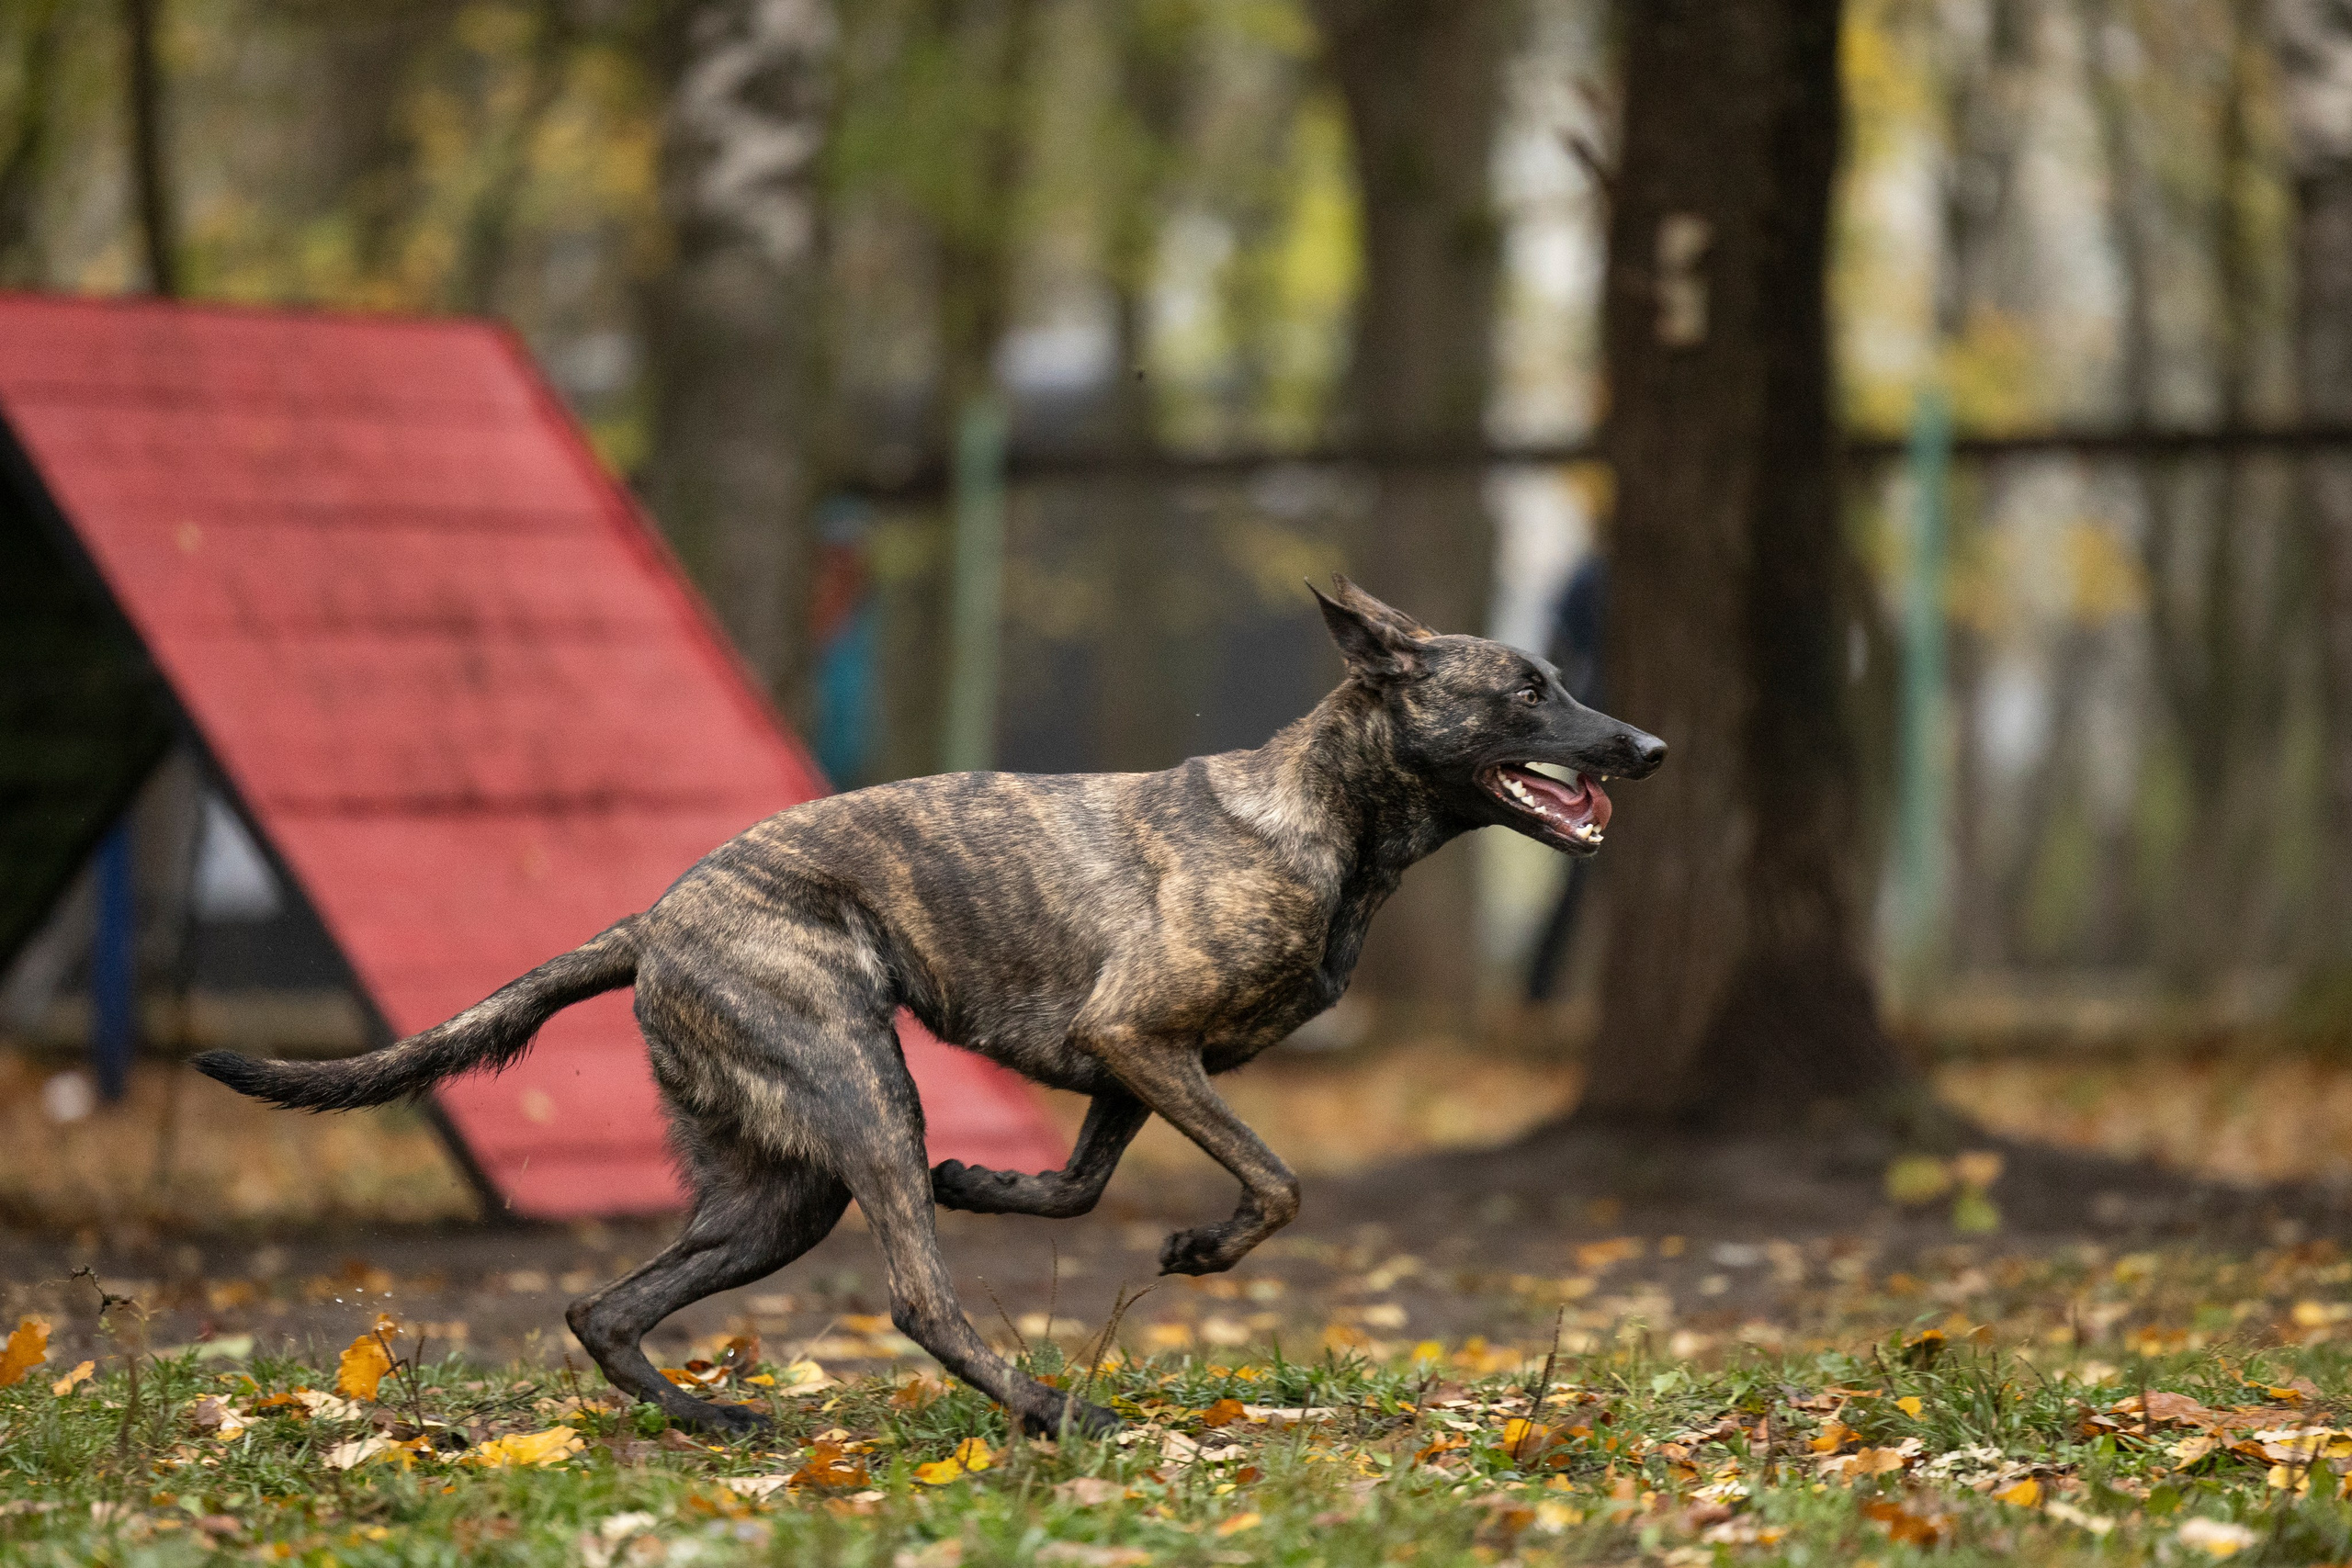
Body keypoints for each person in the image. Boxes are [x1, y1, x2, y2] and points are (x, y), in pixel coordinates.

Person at [1525, 548, 1608, 1001]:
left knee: (1581, 880)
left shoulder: (1590, 572)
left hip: (1597, 735)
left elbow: (1554, 653)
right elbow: (1556, 655)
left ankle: (1541, 994)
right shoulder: (1592, 574)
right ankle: (1538, 995)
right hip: (1597, 741)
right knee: (1580, 872)